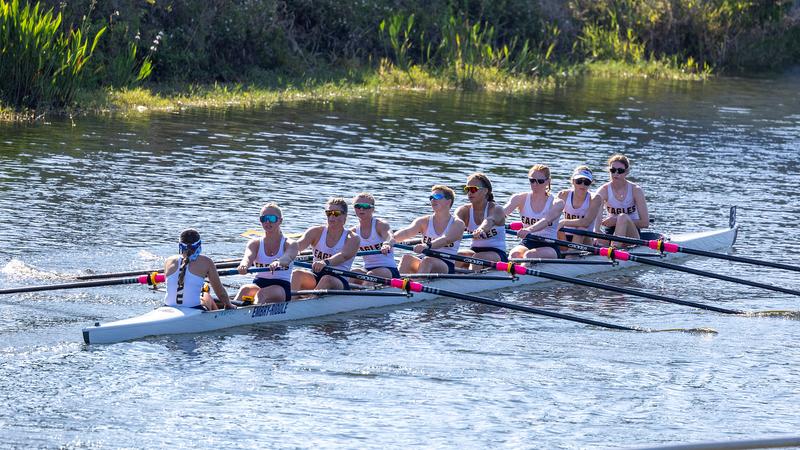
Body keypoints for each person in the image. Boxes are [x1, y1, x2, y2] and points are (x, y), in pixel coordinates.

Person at [387, 185, 465, 275]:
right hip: (424, 260)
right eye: (431, 197)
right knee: (406, 258)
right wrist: (390, 240)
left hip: (445, 264)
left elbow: (446, 239)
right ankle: (397, 286)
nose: (433, 200)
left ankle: (417, 285)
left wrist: (427, 245)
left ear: (448, 201)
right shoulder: (424, 221)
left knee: (428, 261)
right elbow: (407, 232)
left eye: (437, 197)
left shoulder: (457, 223)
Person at [234, 203, 299, 304]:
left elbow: (287, 257)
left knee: (261, 294)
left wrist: (279, 262)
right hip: (259, 283)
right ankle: (230, 314)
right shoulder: (254, 243)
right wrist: (243, 265)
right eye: (264, 218)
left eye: (272, 218)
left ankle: (249, 316)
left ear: (280, 221)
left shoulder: (290, 244)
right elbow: (247, 257)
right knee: (245, 289)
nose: (267, 222)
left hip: (281, 286)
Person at [292, 197, 360, 291]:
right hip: (316, 275)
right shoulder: (315, 232)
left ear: (345, 216)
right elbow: (297, 245)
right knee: (297, 273)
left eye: (336, 213)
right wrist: (281, 253)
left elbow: (343, 256)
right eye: (329, 213)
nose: (331, 217)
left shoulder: (352, 238)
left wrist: (325, 262)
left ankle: (309, 301)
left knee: (326, 279)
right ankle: (291, 303)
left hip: (339, 279)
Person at [503, 164, 565, 259]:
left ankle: (520, 271)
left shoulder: (557, 203)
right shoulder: (519, 198)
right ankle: (512, 272)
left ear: (548, 181)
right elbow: (501, 214)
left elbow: (545, 220)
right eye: (532, 181)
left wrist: (528, 230)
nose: (535, 184)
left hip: (549, 244)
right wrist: (485, 225)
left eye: (540, 181)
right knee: (514, 254)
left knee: (529, 255)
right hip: (528, 242)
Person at [163, 229, 234, 310]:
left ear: (180, 246)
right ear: (199, 245)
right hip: (194, 309)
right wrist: (229, 305)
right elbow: (220, 293)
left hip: (167, 308)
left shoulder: (168, 261)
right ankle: (219, 319)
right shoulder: (206, 262)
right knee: (206, 295)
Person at [455, 173, 507, 270]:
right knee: (458, 255)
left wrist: (481, 229)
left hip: (497, 253)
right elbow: (454, 223)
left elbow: (489, 220)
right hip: (474, 251)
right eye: (467, 189)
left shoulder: (496, 209)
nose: (470, 193)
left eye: (473, 189)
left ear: (485, 191)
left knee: (478, 258)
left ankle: (470, 281)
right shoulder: (463, 210)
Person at [595, 154, 650, 242]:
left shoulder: (636, 190)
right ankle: (610, 250)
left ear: (626, 172)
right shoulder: (603, 191)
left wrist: (616, 220)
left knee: (622, 217)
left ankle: (614, 249)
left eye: (620, 171)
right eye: (612, 170)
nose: (616, 174)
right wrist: (596, 232)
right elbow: (596, 220)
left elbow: (645, 223)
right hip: (611, 232)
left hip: (631, 234)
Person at [350, 193, 400, 280]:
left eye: (365, 206)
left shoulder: (380, 225)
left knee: (370, 275)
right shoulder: (353, 232)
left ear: (373, 209)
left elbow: (390, 237)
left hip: (388, 270)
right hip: (368, 269)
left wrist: (387, 244)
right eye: (357, 206)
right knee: (353, 273)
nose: (361, 209)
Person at [556, 166, 604, 246]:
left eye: (586, 182)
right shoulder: (563, 195)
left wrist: (563, 222)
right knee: (557, 228)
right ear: (573, 181)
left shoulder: (595, 198)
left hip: (585, 238)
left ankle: (570, 255)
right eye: (579, 181)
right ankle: (565, 253)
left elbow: (586, 222)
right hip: (564, 236)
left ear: (591, 183)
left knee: (581, 228)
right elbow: (551, 216)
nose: (582, 185)